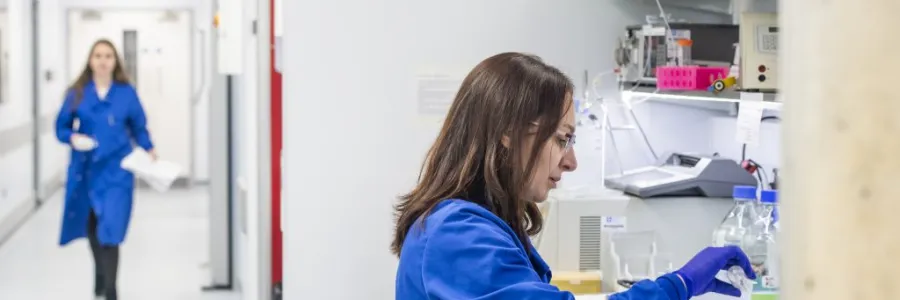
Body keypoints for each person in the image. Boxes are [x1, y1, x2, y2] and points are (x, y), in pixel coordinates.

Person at [392, 52, 756, 300]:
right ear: (508, 131)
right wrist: (678, 284)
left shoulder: (473, 225)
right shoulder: (459, 235)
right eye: (562, 139)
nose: (572, 162)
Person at [55, 39, 156, 300]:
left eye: (108, 56)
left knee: (110, 227)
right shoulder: (77, 92)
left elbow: (139, 126)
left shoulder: (126, 93)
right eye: (98, 55)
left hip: (117, 171)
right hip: (86, 171)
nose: (102, 61)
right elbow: (61, 127)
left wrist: (149, 148)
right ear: (90, 60)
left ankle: (111, 289)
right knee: (92, 226)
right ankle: (100, 273)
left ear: (115, 61)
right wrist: (73, 138)